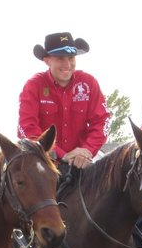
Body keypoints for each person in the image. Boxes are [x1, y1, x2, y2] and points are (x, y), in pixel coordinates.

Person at [18, 32, 110, 171]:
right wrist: (62, 155)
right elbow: (27, 128)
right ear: (47, 60)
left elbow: (102, 121)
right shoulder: (33, 86)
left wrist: (86, 151)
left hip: (83, 160)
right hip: (44, 162)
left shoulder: (89, 83)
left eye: (71, 57)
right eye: (60, 58)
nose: (67, 64)